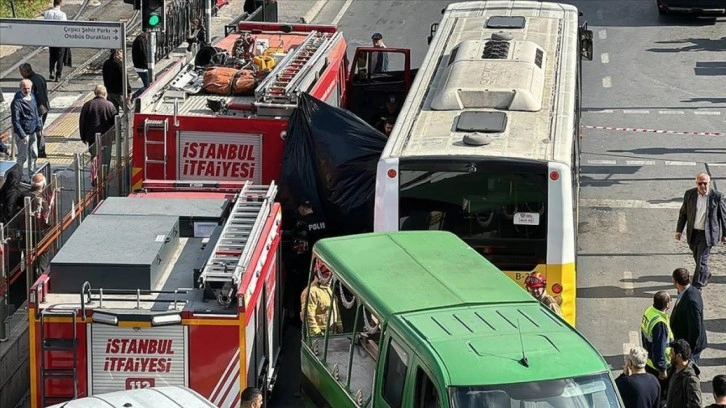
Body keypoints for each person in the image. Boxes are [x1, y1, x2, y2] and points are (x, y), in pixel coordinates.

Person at [675, 172, 726, 289]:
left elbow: (724, 216)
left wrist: (725, 234)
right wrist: (679, 231)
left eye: (705, 183)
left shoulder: (717, 196)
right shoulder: (689, 194)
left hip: (708, 235)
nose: (703, 186)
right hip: (693, 233)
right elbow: (683, 213)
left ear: (709, 183)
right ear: (696, 183)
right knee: (698, 259)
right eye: (700, 183)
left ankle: (696, 287)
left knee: (701, 261)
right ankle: (705, 274)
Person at [669, 268, 707, 364]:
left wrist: (688, 352)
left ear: (675, 281)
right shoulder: (688, 292)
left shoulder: (691, 301)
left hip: (690, 349)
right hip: (684, 342)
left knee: (690, 373)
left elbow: (695, 329)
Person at [640, 290, 672, 399]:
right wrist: (662, 369)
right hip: (657, 366)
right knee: (661, 396)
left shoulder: (650, 311)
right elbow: (660, 348)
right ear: (667, 304)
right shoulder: (660, 323)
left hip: (649, 360)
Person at [11, 79, 42, 179]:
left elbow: (36, 113)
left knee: (33, 153)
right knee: (22, 157)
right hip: (23, 133)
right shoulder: (17, 102)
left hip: (32, 131)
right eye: (24, 88)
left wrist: (39, 128)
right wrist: (22, 134)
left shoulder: (32, 96)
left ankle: (32, 174)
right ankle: (20, 177)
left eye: (28, 88)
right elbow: (15, 120)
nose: (27, 90)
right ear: (20, 88)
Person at [303, 261, 342, 337]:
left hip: (332, 332)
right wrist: (317, 332)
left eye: (331, 276)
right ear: (319, 274)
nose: (329, 278)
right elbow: (308, 315)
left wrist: (339, 325)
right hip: (318, 336)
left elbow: (335, 309)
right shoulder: (311, 292)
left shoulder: (329, 289)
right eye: (326, 275)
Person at [19, 64, 49, 158]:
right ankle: (39, 150)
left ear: (26, 71)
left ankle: (39, 150)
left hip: (37, 109)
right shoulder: (40, 77)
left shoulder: (29, 82)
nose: (21, 74)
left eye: (21, 72)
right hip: (45, 107)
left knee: (37, 131)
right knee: (39, 129)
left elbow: (29, 97)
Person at [24, 173, 52, 275]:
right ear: (43, 185)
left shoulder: (22, 195)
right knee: (43, 255)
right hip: (40, 234)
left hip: (24, 234)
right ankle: (40, 278)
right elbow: (46, 217)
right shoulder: (43, 201)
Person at [79, 85, 117, 155]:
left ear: (95, 93)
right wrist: (114, 136)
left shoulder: (87, 105)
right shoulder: (110, 105)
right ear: (105, 94)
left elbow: (82, 122)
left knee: (94, 157)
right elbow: (115, 122)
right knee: (106, 156)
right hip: (106, 136)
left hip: (91, 137)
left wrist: (83, 137)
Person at [665, 339, 701, 407]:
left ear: (679, 356)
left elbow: (696, 405)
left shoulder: (691, 379)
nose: (669, 355)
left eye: (671, 353)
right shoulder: (674, 369)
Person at [44, 0, 67, 81]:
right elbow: (64, 27)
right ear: (60, 3)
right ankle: (58, 74)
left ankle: (51, 72)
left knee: (52, 56)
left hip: (50, 38)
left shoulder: (47, 13)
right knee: (60, 57)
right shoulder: (62, 15)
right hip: (59, 39)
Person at [131, 32, 150, 100]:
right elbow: (144, 53)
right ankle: (134, 96)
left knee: (147, 84)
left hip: (139, 66)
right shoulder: (141, 41)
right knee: (147, 86)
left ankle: (136, 96)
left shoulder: (137, 40)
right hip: (142, 67)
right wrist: (147, 64)